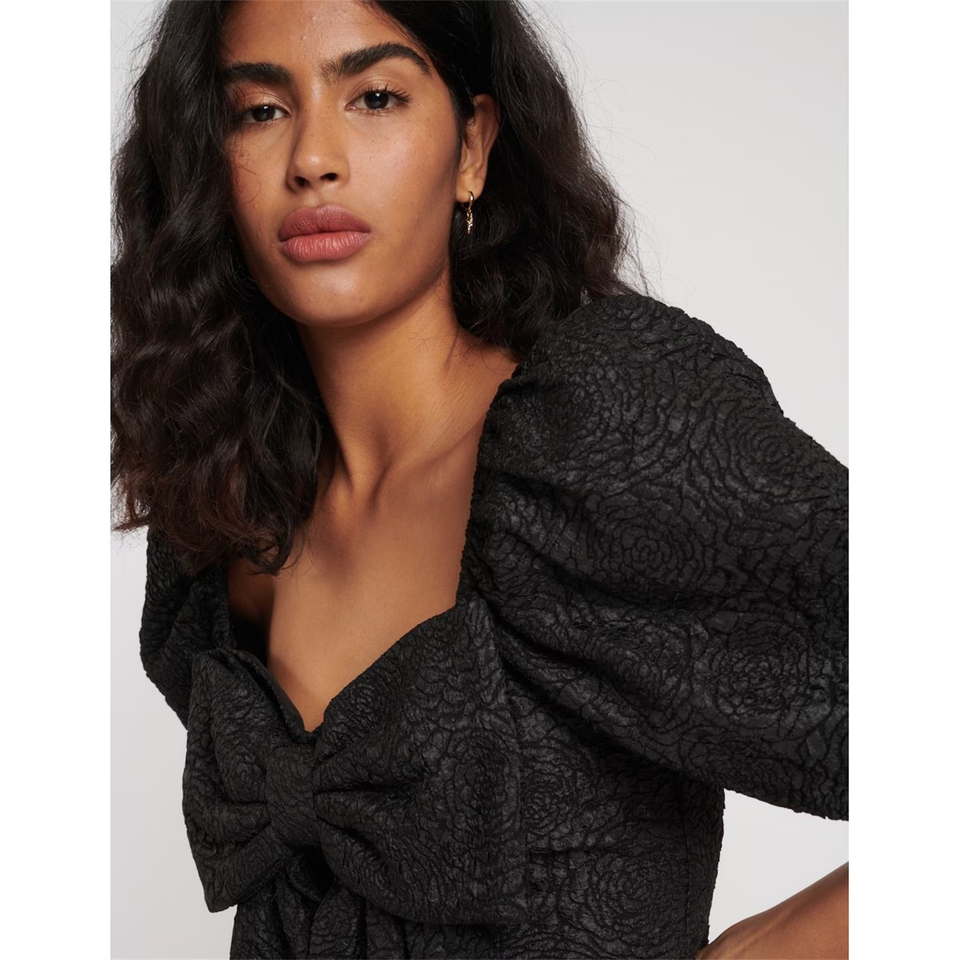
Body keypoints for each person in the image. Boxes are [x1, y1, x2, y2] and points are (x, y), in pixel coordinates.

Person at [111, 2, 849, 958]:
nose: (314, 158)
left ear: (472, 148)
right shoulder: (222, 515)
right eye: (260, 111)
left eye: (375, 96)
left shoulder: (595, 434)